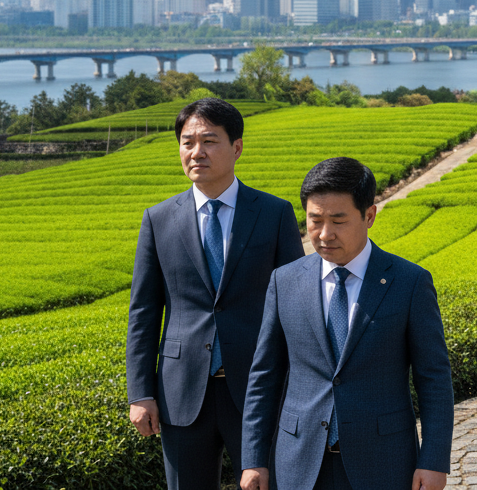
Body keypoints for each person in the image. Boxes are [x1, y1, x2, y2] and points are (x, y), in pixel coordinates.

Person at [239, 157, 453, 490]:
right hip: (299, 462)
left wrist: (434, 460)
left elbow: (434, 378)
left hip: (384, 462)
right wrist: (253, 459)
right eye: (315, 220)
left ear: (369, 216)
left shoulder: (409, 282)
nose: (324, 234)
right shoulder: (285, 281)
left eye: (338, 220)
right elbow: (264, 376)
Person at [126, 97, 305, 489]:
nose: (197, 152)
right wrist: (140, 393)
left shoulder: (273, 213)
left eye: (209, 141)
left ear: (236, 147)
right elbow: (144, 311)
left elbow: (298, 305)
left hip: (258, 389)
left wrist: (301, 386)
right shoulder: (158, 219)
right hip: (182, 390)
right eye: (187, 142)